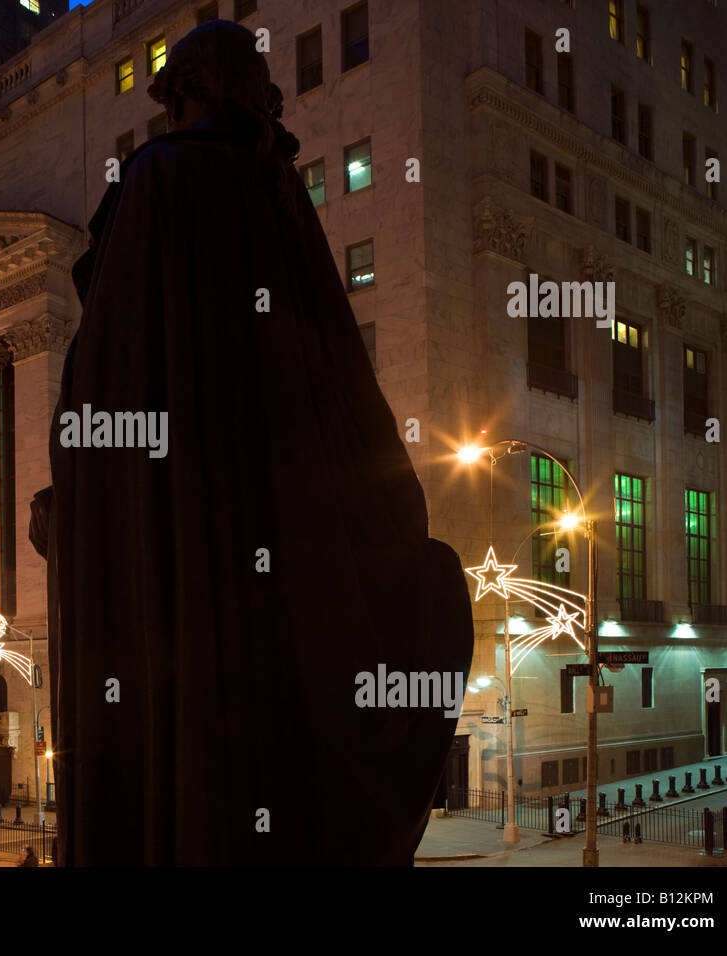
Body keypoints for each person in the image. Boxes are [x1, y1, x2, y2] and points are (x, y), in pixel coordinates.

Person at [30, 20, 474, 866]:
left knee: (181, 766)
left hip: (176, 571)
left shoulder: (159, 182)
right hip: (274, 571)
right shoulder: (277, 195)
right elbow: (352, 403)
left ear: (186, 91)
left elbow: (103, 390)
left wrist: (79, 511)